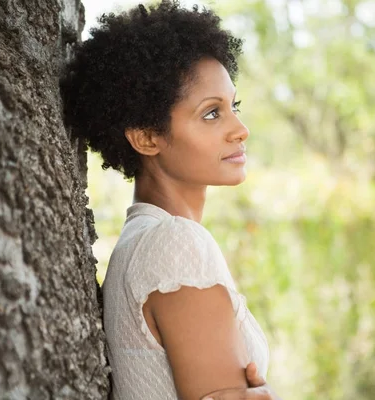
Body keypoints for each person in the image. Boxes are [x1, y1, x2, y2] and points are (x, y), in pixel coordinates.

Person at [60, 1, 280, 399]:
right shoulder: (176, 246)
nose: (241, 130)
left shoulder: (144, 240)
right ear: (147, 138)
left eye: (234, 107)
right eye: (211, 113)